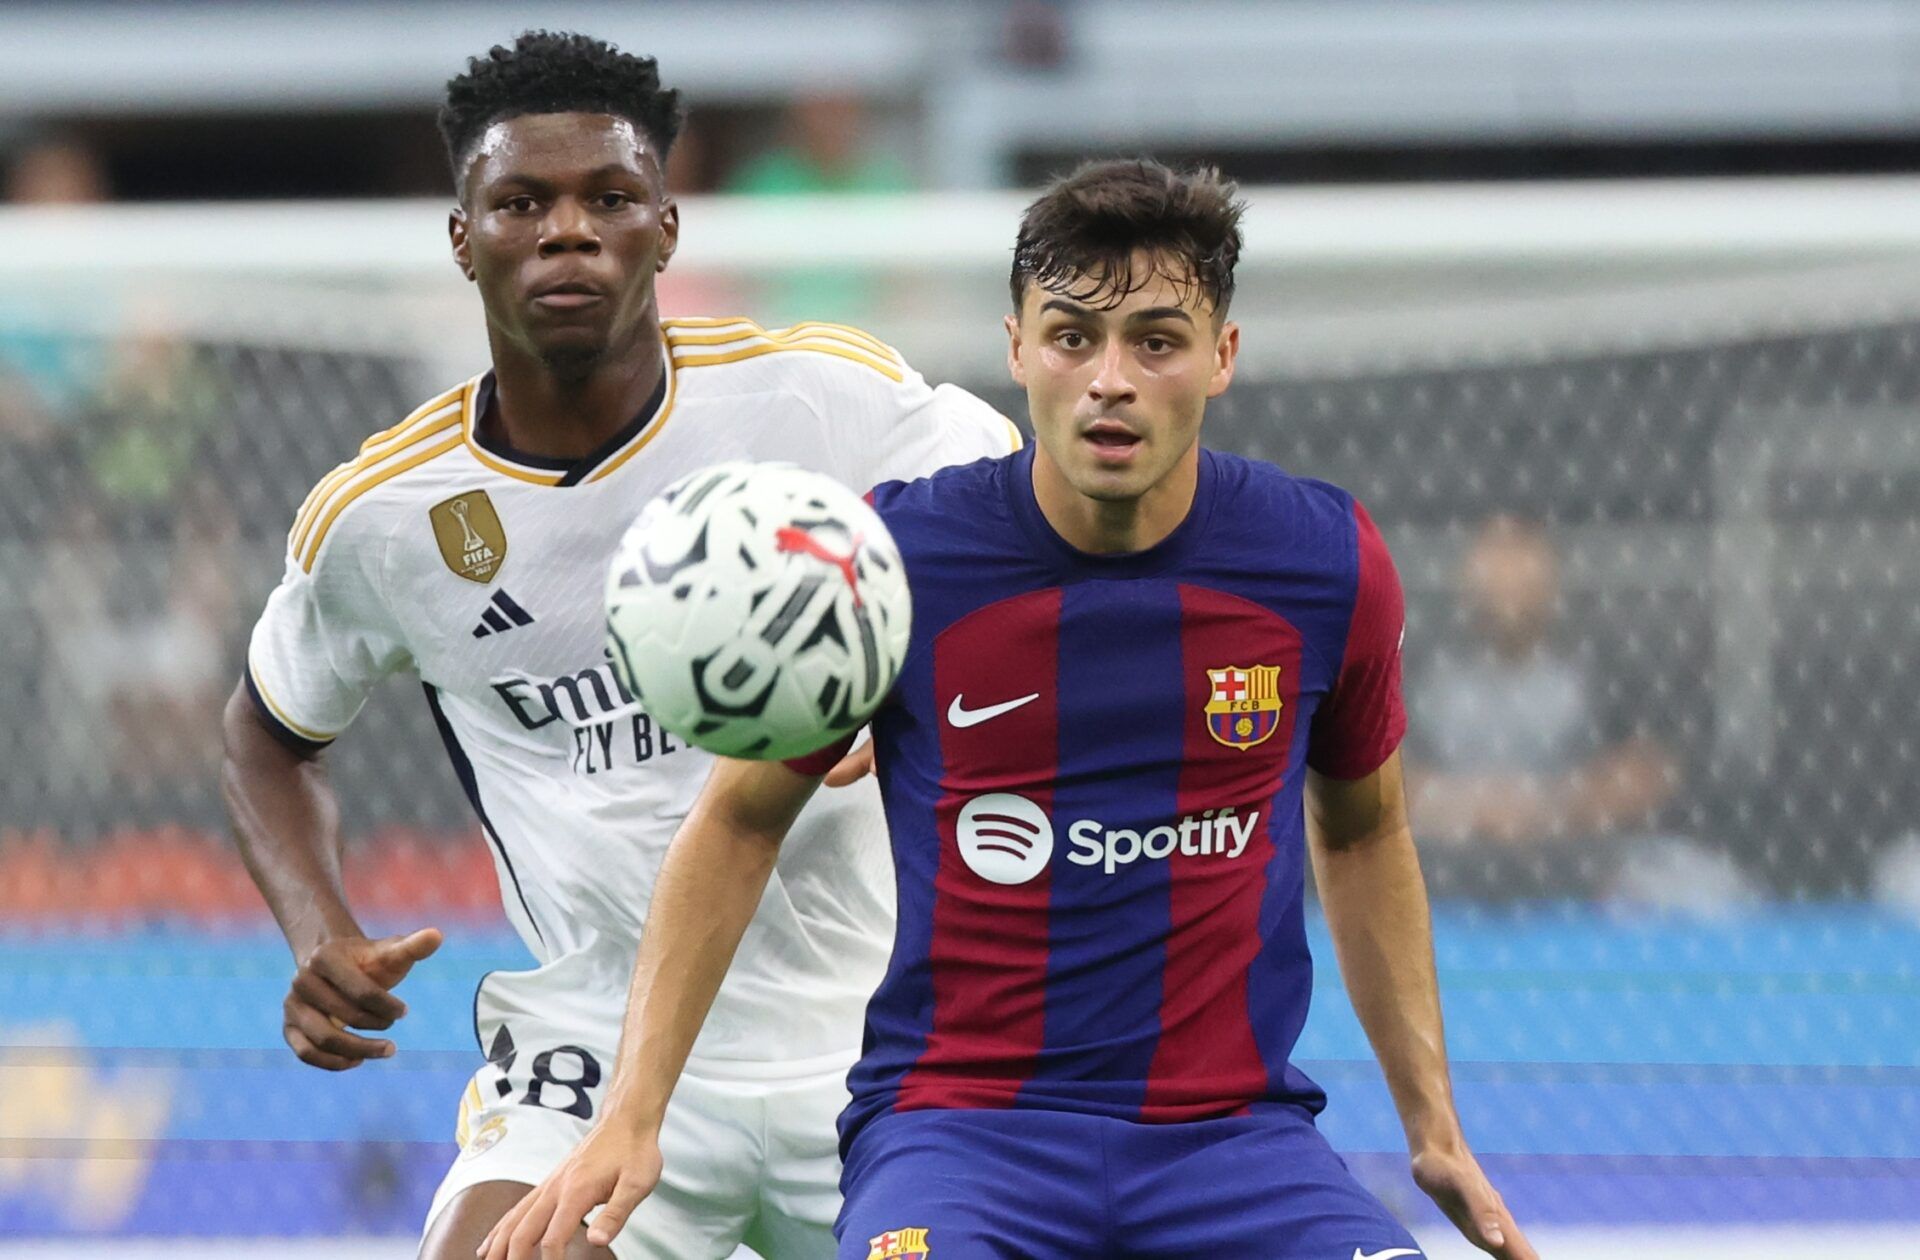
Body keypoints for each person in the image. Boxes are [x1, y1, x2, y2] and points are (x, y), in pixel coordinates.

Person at [484, 160, 1534, 1260]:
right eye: (1073, 336)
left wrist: (1434, 1128)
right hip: (961, 1136)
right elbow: (737, 822)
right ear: (1017, 348)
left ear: (1223, 357)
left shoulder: (1324, 563)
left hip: (1236, 1145)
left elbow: (1365, 832)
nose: (1109, 380)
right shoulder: (890, 563)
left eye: (1157, 341)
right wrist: (633, 1118)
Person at [220, 31, 1018, 1260]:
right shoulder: (383, 515)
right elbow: (267, 734)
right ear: (462, 235)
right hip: (593, 1043)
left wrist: (901, 674)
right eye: (521, 203)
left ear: (667, 226)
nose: (568, 232)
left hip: (879, 1033)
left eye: (608, 198)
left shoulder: (821, 401)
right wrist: (318, 927)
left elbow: (1032, 546)